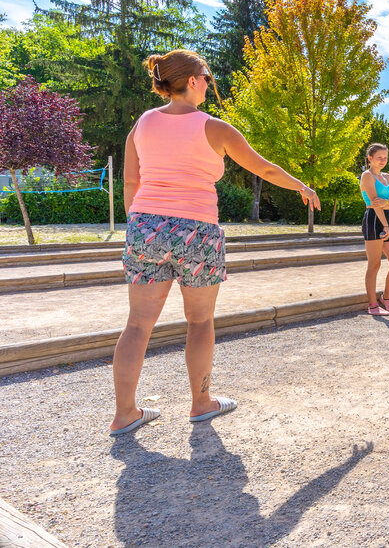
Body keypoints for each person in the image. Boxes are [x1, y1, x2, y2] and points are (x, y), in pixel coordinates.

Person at [110, 49, 321, 436]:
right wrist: (301, 186)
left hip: (145, 227)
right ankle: (201, 402)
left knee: (138, 324)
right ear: (191, 81)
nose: (209, 83)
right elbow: (263, 167)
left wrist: (139, 224)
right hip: (197, 231)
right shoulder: (214, 127)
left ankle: (125, 413)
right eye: (206, 76)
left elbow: (130, 182)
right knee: (200, 321)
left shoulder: (141, 125)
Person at [360, 143, 389, 316]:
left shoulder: (387, 176)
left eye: (385, 157)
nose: (383, 160)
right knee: (374, 264)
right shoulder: (367, 176)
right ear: (370, 158)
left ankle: (386, 298)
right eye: (379, 157)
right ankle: (372, 306)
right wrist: (385, 223)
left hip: (386, 220)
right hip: (373, 220)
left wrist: (387, 203)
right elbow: (373, 202)